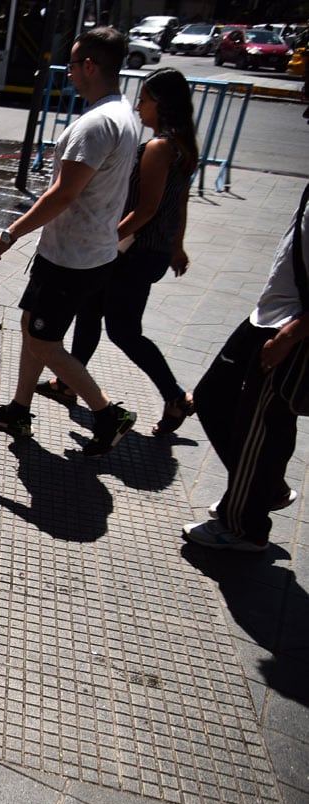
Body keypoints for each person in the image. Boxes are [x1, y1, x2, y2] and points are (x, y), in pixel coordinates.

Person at [0, 27, 140, 457]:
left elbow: (63, 193)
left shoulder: (97, 123)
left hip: (73, 257)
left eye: (72, 64)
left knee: (44, 342)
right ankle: (18, 408)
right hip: (81, 250)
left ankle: (108, 414)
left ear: (90, 66)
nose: (67, 73)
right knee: (33, 326)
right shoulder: (124, 113)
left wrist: (11, 233)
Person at [36, 67, 198, 436]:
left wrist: (110, 242)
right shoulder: (183, 146)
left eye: (144, 99)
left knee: (124, 331)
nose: (139, 107)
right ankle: (66, 384)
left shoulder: (159, 147)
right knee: (89, 310)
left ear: (161, 103)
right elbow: (180, 202)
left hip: (135, 251)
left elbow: (148, 208)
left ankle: (174, 396)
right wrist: (177, 245)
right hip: (149, 249)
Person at [184, 183, 308, 552]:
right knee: (211, 396)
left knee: (264, 422)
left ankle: (244, 527)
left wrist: (289, 337)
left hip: (290, 328)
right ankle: (266, 489)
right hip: (270, 314)